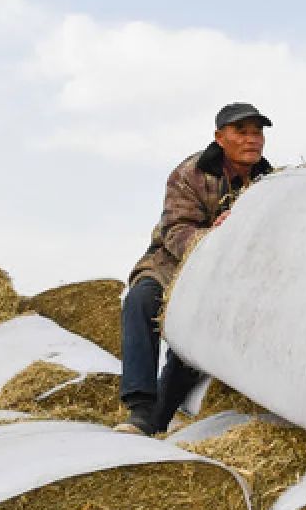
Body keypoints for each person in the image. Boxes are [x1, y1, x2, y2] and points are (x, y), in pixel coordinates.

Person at [114, 103, 274, 435]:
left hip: (227, 278)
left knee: (196, 342)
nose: (252, 140)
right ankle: (139, 408)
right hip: (172, 263)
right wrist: (216, 237)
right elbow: (176, 230)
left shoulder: (270, 185)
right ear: (219, 137)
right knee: (141, 301)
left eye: (257, 132)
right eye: (241, 132)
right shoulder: (190, 174)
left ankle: (157, 419)